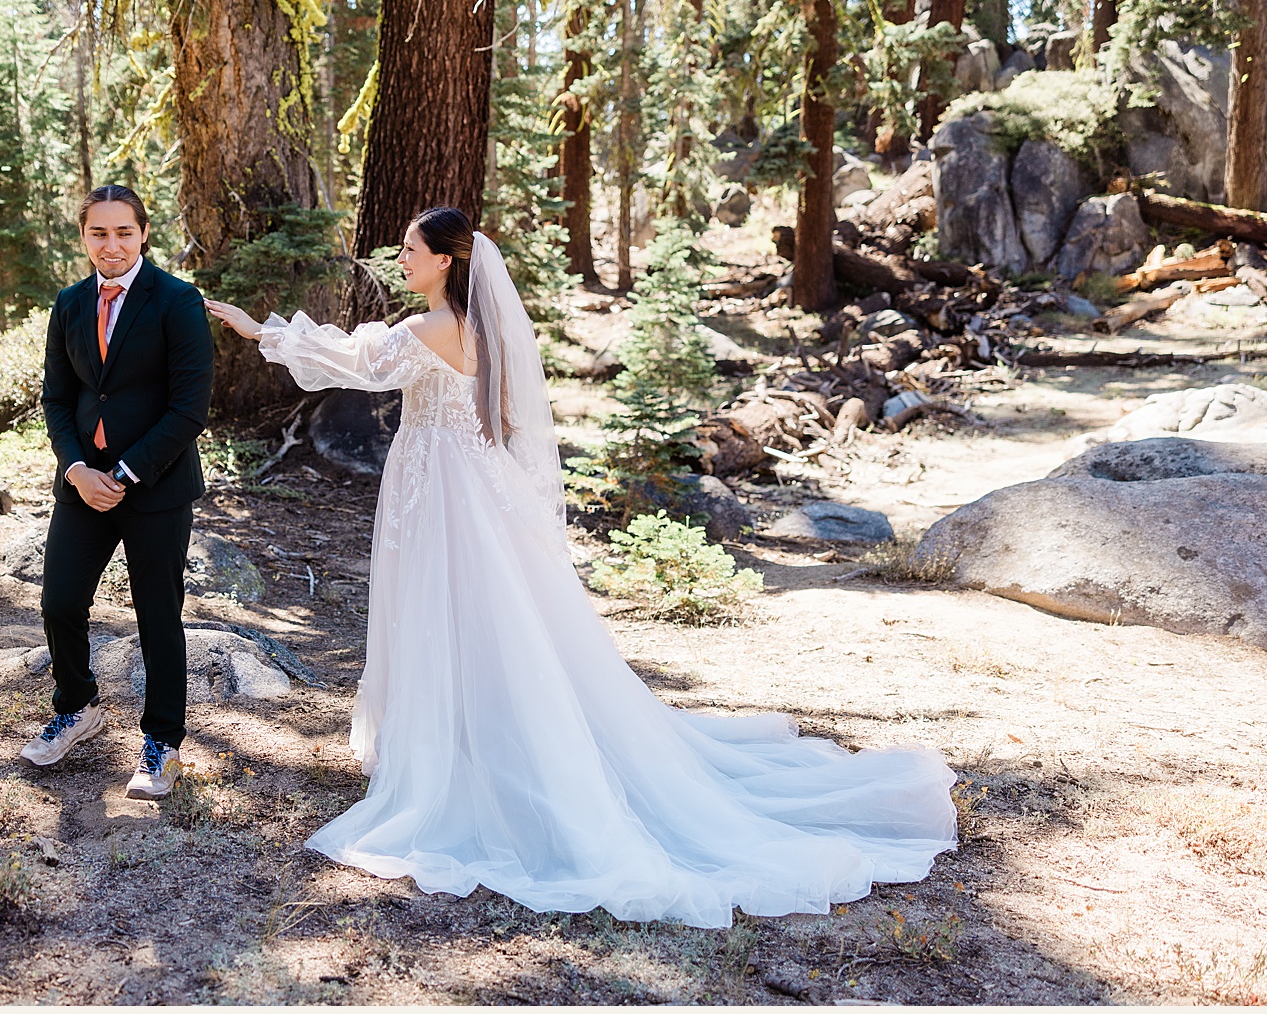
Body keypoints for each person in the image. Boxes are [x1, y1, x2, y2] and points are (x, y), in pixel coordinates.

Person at [203, 207, 957, 928]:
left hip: (437, 489)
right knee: (491, 613)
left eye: (409, 250)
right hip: (473, 483)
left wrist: (257, 328)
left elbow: (352, 361)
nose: (400, 259)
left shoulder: (428, 325)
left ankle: (454, 751)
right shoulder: (480, 324)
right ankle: (475, 734)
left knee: (441, 606)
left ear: (444, 261)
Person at [21, 185, 215, 800]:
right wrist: (77, 469)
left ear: (143, 234)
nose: (111, 245)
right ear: (83, 237)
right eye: (98, 233)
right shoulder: (69, 303)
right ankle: (77, 707)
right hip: (82, 484)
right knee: (59, 602)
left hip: (153, 485)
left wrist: (126, 474)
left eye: (123, 233)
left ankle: (163, 741)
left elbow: (190, 408)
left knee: (158, 614)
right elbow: (58, 398)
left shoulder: (178, 302)